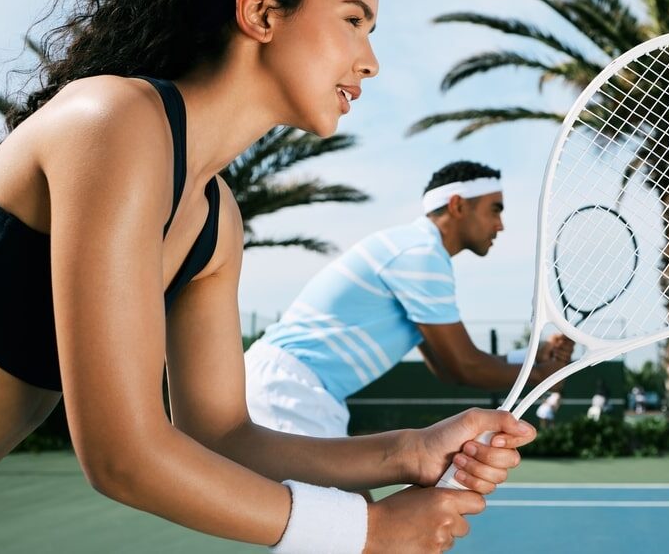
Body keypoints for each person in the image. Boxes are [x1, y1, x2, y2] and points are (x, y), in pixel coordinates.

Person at [0, 0, 536, 553]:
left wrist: (412, 449)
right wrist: (367, 529)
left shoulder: (216, 218)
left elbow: (225, 436)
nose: (371, 60)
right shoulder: (111, 121)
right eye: (355, 20)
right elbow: (122, 455)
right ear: (260, 11)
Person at [245, 160, 575, 439]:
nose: (501, 225)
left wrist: (533, 360)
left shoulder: (416, 249)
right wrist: (541, 373)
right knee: (347, 511)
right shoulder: (421, 254)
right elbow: (465, 367)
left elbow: (447, 368)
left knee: (348, 510)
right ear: (458, 205)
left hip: (291, 386)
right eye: (494, 210)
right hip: (288, 388)